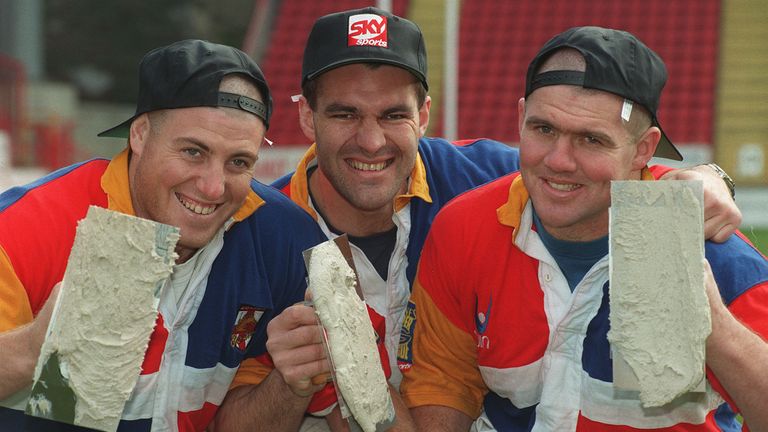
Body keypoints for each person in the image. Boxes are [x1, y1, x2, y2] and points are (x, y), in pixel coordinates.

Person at [214, 7, 744, 432]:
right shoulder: (261, 229)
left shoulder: (486, 179)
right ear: (306, 114)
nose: (371, 141)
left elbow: (598, 163)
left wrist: (708, 176)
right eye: (344, 113)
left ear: (424, 114)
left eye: (394, 115)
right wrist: (295, 380)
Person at [399, 26, 768, 431]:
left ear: (642, 150)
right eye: (544, 129)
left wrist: (713, 328)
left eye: (591, 140)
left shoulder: (709, 248)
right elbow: (443, 383)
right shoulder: (464, 228)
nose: (558, 160)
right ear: (520, 118)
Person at [0, 39, 325, 431]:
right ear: (139, 135)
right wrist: (34, 347)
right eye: (193, 152)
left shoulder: (283, 238)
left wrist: (291, 384)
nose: (213, 187)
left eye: (238, 162)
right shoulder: (24, 227)